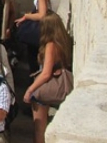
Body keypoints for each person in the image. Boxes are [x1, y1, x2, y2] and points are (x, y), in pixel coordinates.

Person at [24, 13, 72, 143]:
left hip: (48, 86)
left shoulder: (51, 45)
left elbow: (46, 73)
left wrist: (30, 89)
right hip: (63, 82)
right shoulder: (66, 41)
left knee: (39, 128)